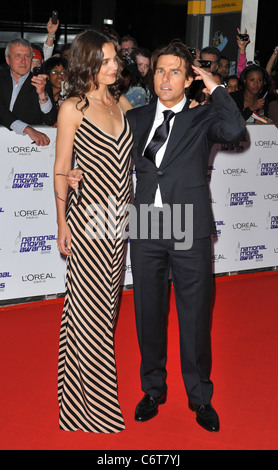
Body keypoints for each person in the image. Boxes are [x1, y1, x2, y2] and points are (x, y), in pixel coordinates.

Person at [126, 40, 246, 433]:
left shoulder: (203, 117)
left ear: (188, 78)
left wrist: (214, 84)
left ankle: (200, 396)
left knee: (194, 316)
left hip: (188, 225)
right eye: (160, 70)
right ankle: (152, 389)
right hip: (145, 223)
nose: (165, 77)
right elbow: (112, 163)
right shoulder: (137, 118)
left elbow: (235, 129)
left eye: (175, 71)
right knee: (148, 312)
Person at [54, 29, 133, 433]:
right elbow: (60, 169)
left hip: (119, 226)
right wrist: (62, 220)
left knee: (107, 310)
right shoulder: (73, 108)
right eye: (105, 60)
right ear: (87, 62)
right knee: (90, 315)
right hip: (87, 224)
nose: (114, 66)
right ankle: (95, 408)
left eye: (115, 59)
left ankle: (77, 395)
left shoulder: (121, 101)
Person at [0, 38, 57, 146]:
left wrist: (42, 95)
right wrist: (28, 129)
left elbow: (50, 120)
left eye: (27, 56)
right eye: (18, 56)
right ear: (8, 60)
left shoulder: (41, 82)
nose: (23, 60)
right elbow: (1, 112)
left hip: (28, 148)